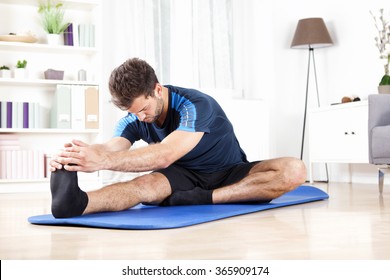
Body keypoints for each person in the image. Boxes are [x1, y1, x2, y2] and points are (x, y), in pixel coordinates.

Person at [49, 57, 306, 218]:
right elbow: (113, 146)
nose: (139, 117)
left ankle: (210, 197)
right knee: (144, 186)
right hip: (184, 177)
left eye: (143, 110)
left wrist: (103, 161)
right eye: (132, 113)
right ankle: (78, 203)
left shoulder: (195, 105)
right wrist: (80, 155)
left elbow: (164, 155)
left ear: (157, 90)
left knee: (294, 169)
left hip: (230, 171)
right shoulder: (136, 115)